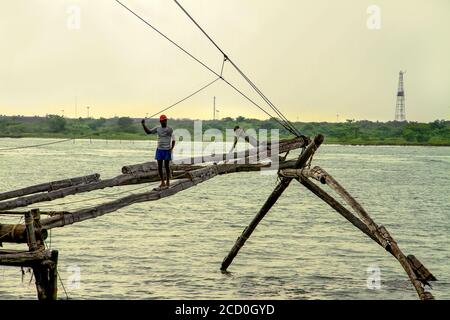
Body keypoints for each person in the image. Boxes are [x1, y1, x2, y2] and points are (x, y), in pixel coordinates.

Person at [141, 115, 175, 189]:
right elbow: (148, 132)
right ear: (160, 121)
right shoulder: (158, 128)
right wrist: (143, 124)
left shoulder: (170, 129)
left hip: (167, 150)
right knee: (159, 166)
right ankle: (162, 182)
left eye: (165, 120)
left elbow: (173, 140)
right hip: (159, 150)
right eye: (163, 121)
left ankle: (168, 181)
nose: (164, 122)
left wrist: (171, 149)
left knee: (166, 166)